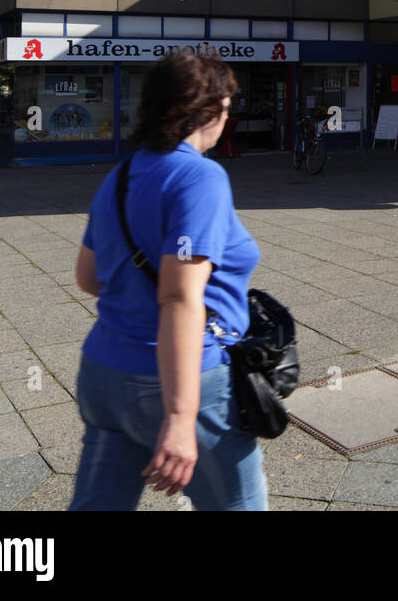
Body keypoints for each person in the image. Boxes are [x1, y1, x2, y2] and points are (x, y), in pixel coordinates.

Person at [68, 51, 268, 511]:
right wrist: (180, 417)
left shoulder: (120, 176)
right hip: (176, 382)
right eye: (227, 105)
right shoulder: (200, 178)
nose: (227, 116)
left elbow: (89, 277)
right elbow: (179, 295)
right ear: (208, 108)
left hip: (103, 374)